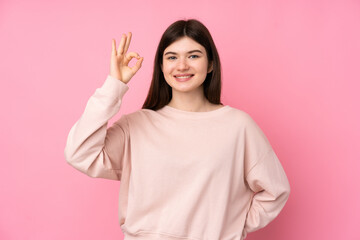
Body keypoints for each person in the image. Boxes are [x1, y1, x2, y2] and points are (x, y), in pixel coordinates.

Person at [64, 19, 290, 240]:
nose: (182, 65)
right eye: (172, 57)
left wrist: (232, 227)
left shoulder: (239, 127)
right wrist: (114, 86)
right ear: (161, 66)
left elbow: (276, 190)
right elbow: (80, 154)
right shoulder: (137, 125)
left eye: (193, 55)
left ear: (210, 64)